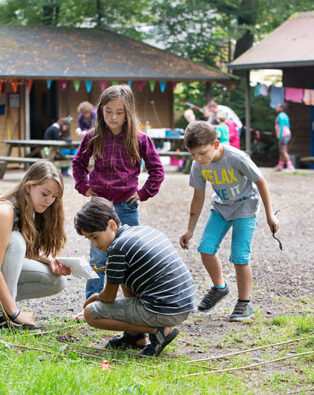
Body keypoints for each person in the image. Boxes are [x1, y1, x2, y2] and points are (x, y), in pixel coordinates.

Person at [72, 84, 164, 317]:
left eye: (119, 112)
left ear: (128, 112)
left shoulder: (140, 139)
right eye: (108, 111)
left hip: (126, 206)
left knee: (130, 256)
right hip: (98, 207)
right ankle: (90, 306)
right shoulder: (93, 137)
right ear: (100, 111)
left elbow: (156, 170)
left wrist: (144, 193)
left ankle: (132, 305)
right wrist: (84, 187)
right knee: (98, 257)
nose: (113, 117)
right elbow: (78, 165)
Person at [179, 121, 279, 321]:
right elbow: (198, 197)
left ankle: (244, 303)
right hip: (221, 207)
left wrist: (270, 214)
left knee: (239, 257)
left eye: (202, 153)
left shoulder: (236, 158)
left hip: (245, 207)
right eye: (193, 154)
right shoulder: (199, 165)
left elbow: (261, 181)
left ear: (215, 145)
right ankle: (219, 287)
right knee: (205, 248)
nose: (198, 159)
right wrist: (190, 229)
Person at [74, 197, 195, 356]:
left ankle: (158, 331)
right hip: (183, 303)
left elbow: (108, 297)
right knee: (125, 277)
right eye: (89, 239)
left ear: (112, 225)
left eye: (95, 237)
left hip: (165, 308)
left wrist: (95, 297)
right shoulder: (142, 231)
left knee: (91, 313)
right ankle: (135, 336)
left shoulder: (117, 248)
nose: (95, 245)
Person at [0, 161, 70, 330]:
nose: (49, 201)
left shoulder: (32, 209)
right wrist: (15, 313)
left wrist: (45, 258)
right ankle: (6, 318)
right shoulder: (5, 211)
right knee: (16, 240)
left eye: (54, 196)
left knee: (56, 281)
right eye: (45, 193)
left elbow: (11, 256)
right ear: (28, 187)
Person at [274, 103, 294, 172]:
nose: (276, 108)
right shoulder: (286, 115)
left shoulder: (280, 116)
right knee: (282, 151)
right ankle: (280, 166)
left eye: (278, 107)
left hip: (283, 134)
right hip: (287, 134)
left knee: (284, 151)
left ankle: (290, 166)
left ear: (281, 108)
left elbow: (281, 126)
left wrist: (280, 136)